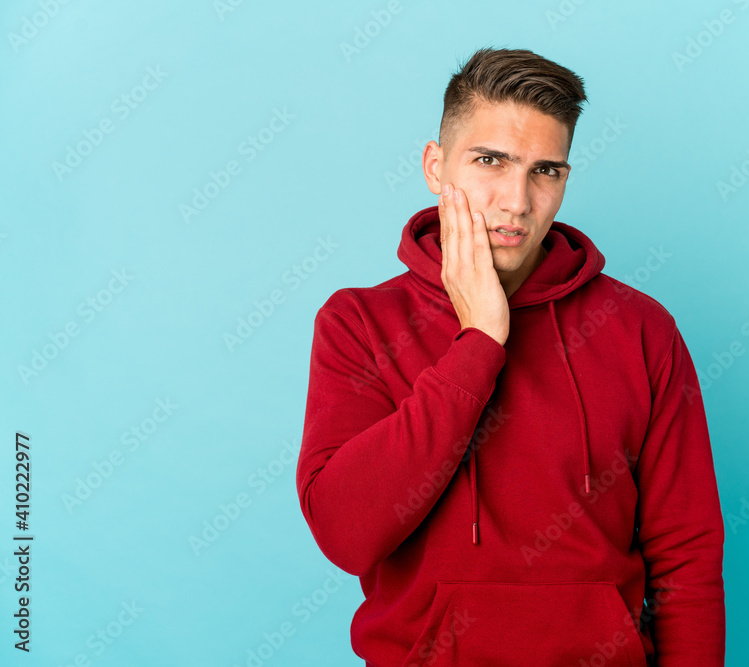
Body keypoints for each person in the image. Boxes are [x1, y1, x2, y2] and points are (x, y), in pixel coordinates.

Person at [295, 46, 726, 666]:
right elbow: (345, 534)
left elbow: (686, 555)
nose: (517, 201)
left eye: (544, 171)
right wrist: (478, 342)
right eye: (490, 161)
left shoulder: (641, 329)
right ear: (436, 167)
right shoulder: (360, 323)